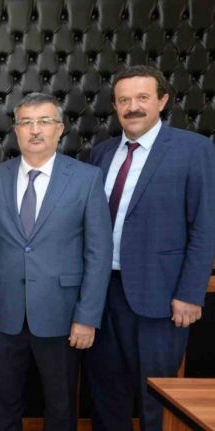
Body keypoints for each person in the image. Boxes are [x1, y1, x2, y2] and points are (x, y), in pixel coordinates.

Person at [0, 93, 112, 431]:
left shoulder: (86, 179)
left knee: (61, 405)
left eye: (44, 122)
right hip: (3, 313)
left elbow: (99, 253)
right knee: (2, 404)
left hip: (62, 314)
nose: (35, 130)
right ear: (16, 130)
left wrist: (87, 317)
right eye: (26, 122)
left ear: (59, 128)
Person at [86, 65, 215, 431]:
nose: (133, 107)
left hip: (161, 298)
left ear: (162, 100)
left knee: (156, 398)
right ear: (115, 106)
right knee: (105, 394)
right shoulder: (100, 154)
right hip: (102, 295)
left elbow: (205, 226)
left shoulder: (193, 149)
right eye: (124, 100)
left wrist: (190, 293)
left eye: (142, 97)